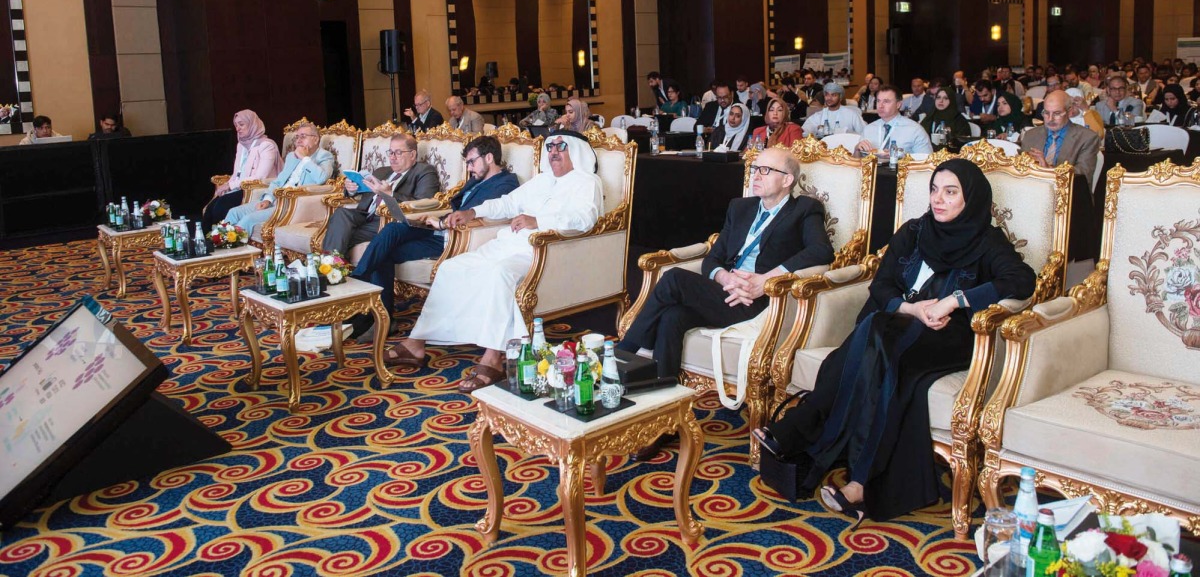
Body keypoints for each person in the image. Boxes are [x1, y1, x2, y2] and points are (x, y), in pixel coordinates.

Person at [754, 159, 1036, 524]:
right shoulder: (915, 231)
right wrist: (911, 309)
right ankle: (859, 483)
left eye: (951, 192)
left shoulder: (987, 241)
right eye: (935, 190)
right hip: (895, 327)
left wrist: (956, 300)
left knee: (874, 333)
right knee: (882, 355)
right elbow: (882, 284)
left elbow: (1022, 280)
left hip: (945, 338)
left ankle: (802, 431)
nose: (939, 199)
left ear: (972, 199)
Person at [619, 146, 833, 458]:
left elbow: (821, 252)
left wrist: (766, 280)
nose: (755, 175)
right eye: (755, 169)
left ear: (787, 180)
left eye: (764, 170)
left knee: (674, 279)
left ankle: (621, 355)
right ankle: (665, 422)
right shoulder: (741, 207)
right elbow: (714, 259)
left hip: (759, 301)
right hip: (727, 291)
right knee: (672, 318)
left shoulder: (804, 210)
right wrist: (724, 278)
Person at [380, 130, 604, 391]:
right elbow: (507, 203)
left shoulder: (587, 182)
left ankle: (493, 357)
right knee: (453, 267)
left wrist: (538, 221)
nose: (553, 152)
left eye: (561, 147)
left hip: (542, 251)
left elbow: (585, 220)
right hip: (508, 244)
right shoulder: (542, 181)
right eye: (550, 147)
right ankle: (416, 343)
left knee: (499, 273)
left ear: (575, 151)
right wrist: (473, 211)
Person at [348, 135, 519, 337]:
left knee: (387, 249)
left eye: (472, 162)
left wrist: (442, 222)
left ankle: (357, 295)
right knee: (393, 230)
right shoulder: (475, 180)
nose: (469, 168)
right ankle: (381, 317)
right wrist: (430, 216)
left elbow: (480, 212)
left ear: (489, 158)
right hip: (438, 228)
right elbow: (454, 205)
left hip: (455, 238)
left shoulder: (506, 184)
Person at [321, 133, 439, 257]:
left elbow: (423, 203)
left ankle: (330, 267)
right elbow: (364, 191)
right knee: (341, 213)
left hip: (389, 220)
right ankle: (331, 267)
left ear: (412, 154)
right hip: (364, 215)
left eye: (398, 153)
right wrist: (351, 189)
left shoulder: (424, 172)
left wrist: (390, 194)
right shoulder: (381, 171)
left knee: (339, 234)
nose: (392, 158)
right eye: (390, 152)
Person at [223, 122, 334, 237]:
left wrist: (305, 159)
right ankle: (221, 243)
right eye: (297, 137)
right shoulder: (292, 156)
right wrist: (268, 199)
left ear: (315, 139)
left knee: (248, 219)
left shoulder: (324, 156)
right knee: (234, 212)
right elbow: (278, 181)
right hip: (276, 199)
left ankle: (233, 248)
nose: (299, 140)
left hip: (292, 204)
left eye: (303, 136)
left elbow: (321, 178)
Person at [202, 109, 283, 230]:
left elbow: (260, 177)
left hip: (257, 188)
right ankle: (207, 244)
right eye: (236, 125)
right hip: (239, 187)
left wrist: (230, 185)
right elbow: (237, 173)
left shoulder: (267, 145)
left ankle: (224, 240)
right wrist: (227, 185)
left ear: (252, 124)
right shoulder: (241, 145)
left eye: (241, 124)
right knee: (210, 209)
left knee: (220, 207)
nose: (238, 128)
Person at [1021, 90, 1100, 179]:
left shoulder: (1087, 138)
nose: (1050, 119)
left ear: (1069, 112)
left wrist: (1048, 169)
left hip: (1069, 191)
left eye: (1057, 113)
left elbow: (1083, 175)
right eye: (1046, 113)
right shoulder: (1030, 135)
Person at [856, 85, 933, 157]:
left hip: (903, 170)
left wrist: (900, 156)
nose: (880, 106)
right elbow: (856, 162)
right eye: (878, 101)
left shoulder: (915, 130)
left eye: (886, 101)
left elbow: (927, 161)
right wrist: (857, 149)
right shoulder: (869, 129)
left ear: (898, 104)